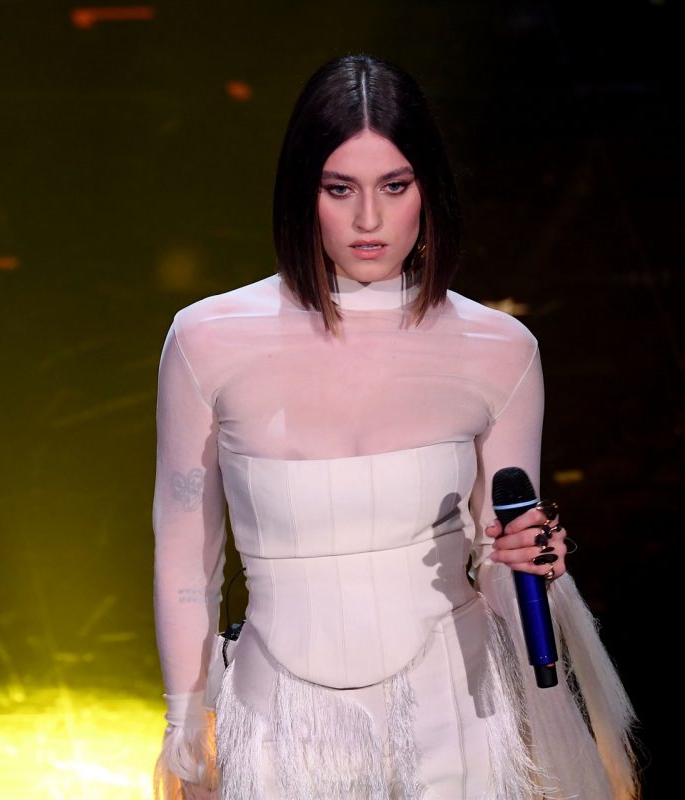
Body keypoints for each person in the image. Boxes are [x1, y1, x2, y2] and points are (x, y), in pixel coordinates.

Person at [150, 53, 640, 799]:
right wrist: (187, 718)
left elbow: (498, 560)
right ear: (302, 193)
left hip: (460, 715)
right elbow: (187, 555)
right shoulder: (207, 340)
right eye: (339, 188)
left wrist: (530, 565)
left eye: (394, 186)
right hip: (281, 726)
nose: (369, 220)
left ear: (428, 190)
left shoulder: (500, 349)